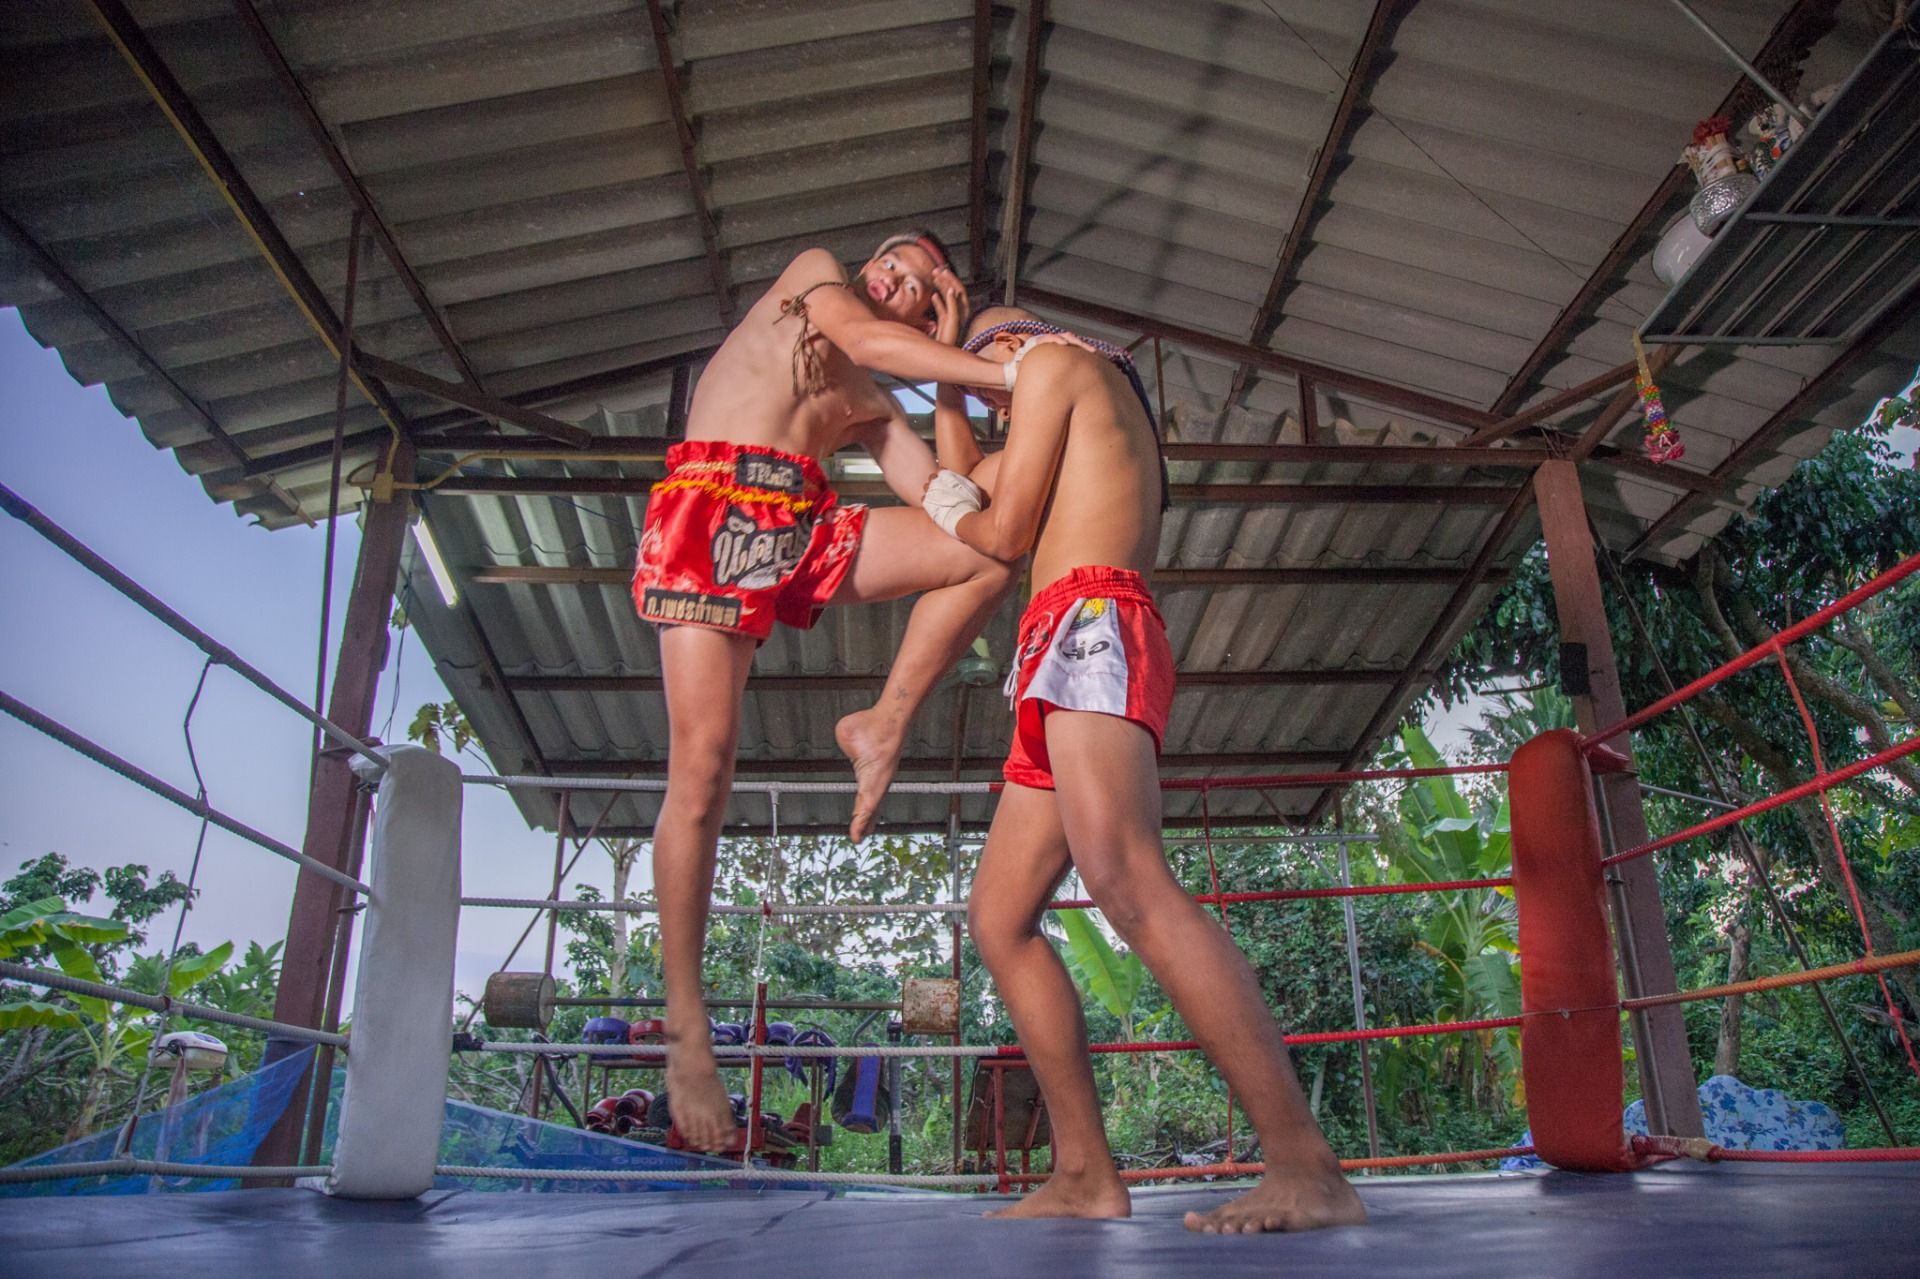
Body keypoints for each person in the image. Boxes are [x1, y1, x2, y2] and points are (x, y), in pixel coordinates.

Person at [924, 307, 1368, 1235]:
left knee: (1126, 878)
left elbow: (995, 531)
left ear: (1014, 340)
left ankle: (1304, 1161)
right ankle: (1084, 1169)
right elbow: (962, 483)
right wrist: (948, 391)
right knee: (999, 918)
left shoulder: (1055, 362)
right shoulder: (1055, 408)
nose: (984, 385)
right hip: (1052, 647)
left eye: (981, 362)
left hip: (1092, 623)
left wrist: (967, 394)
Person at [631, 234, 1073, 1153]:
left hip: (798, 521)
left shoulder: (872, 400)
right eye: (892, 262)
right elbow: (866, 338)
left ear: (925, 313)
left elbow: (953, 500)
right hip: (713, 508)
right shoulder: (812, 279)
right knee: (704, 771)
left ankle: (884, 719)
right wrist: (1006, 378)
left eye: (915, 286)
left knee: (990, 547)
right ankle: (685, 1028)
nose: (893, 278)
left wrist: (955, 388)